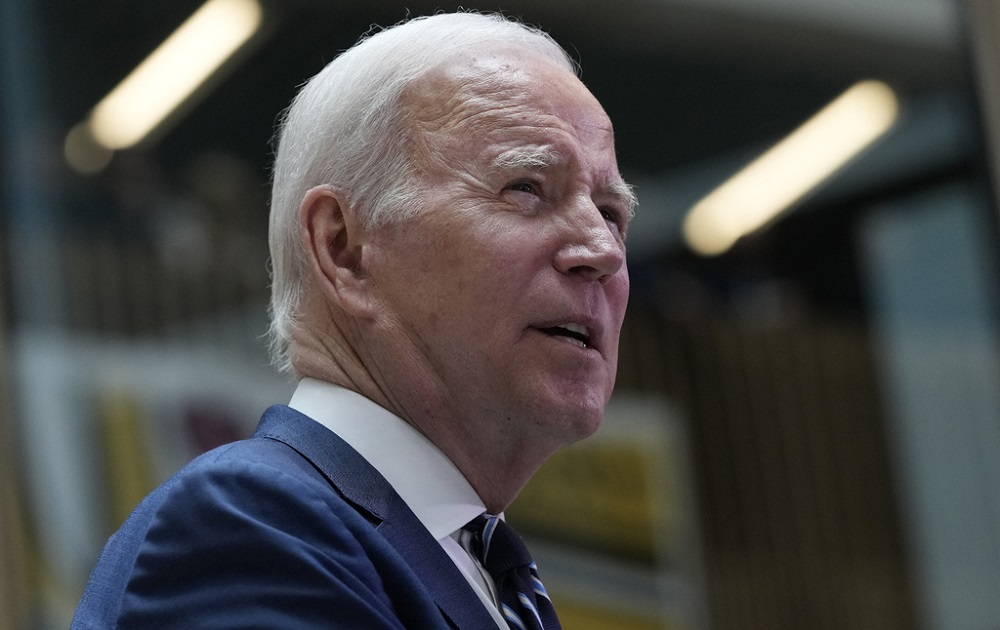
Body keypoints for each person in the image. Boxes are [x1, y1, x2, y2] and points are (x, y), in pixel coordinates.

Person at [71, 10, 635, 630]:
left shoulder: (477, 568)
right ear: (343, 248)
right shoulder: (255, 529)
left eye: (611, 212)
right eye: (526, 188)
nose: (602, 251)